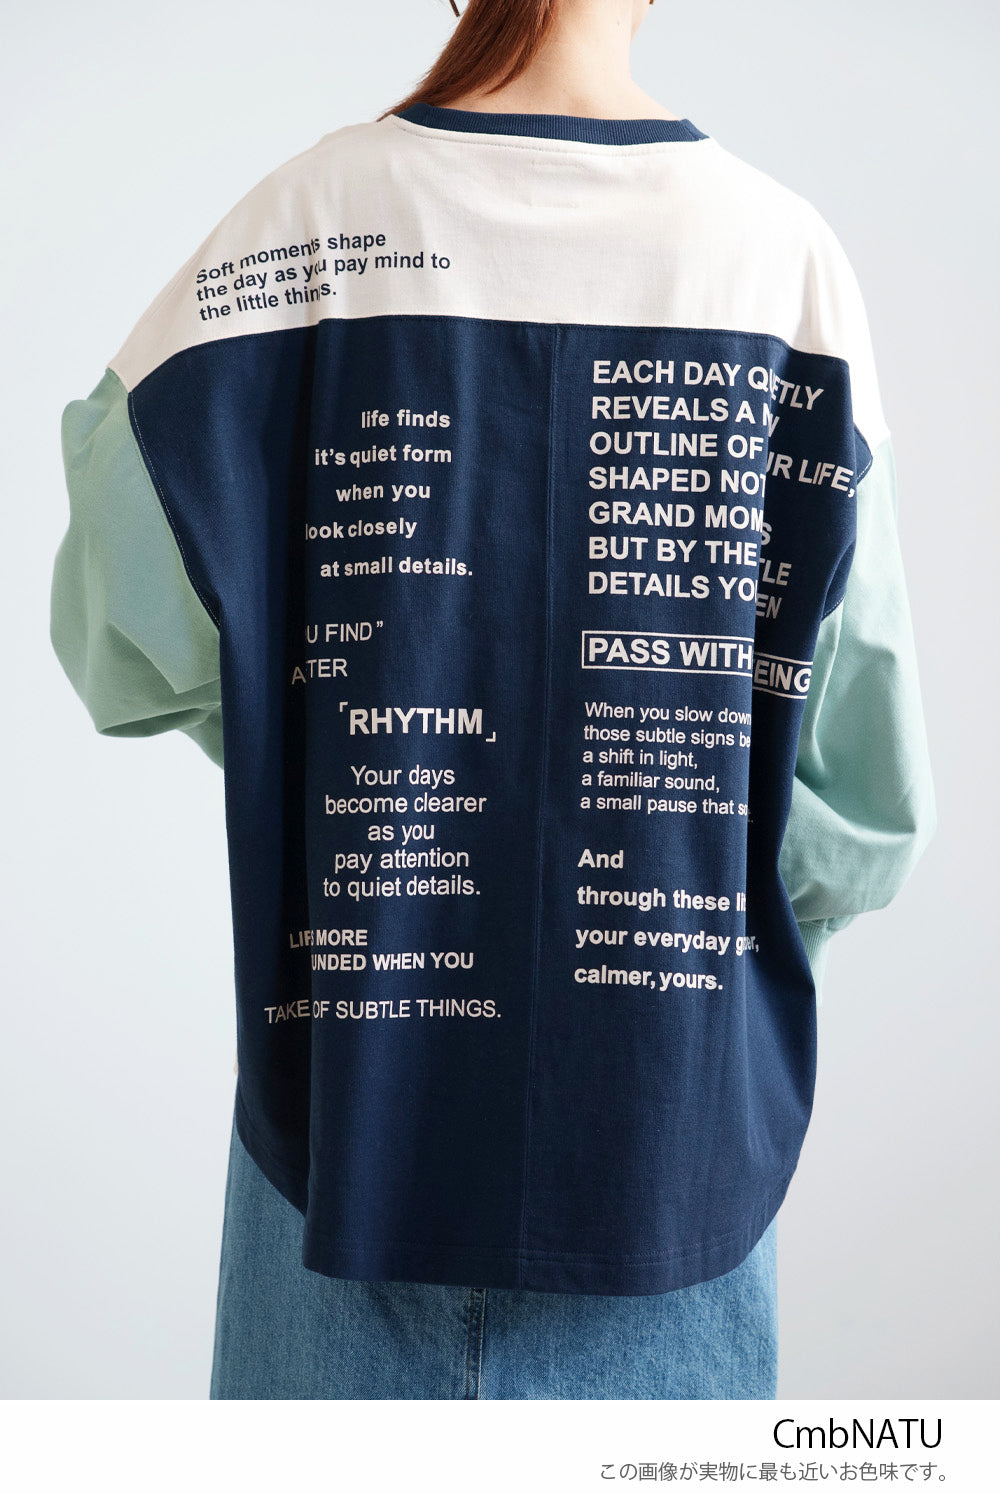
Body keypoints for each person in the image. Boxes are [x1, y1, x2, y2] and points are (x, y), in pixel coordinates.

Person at [49, 0, 936, 1399]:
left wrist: (322, 738)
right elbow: (865, 810)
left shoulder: (303, 228)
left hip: (344, 1130)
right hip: (666, 1143)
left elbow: (117, 623)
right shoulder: (779, 261)